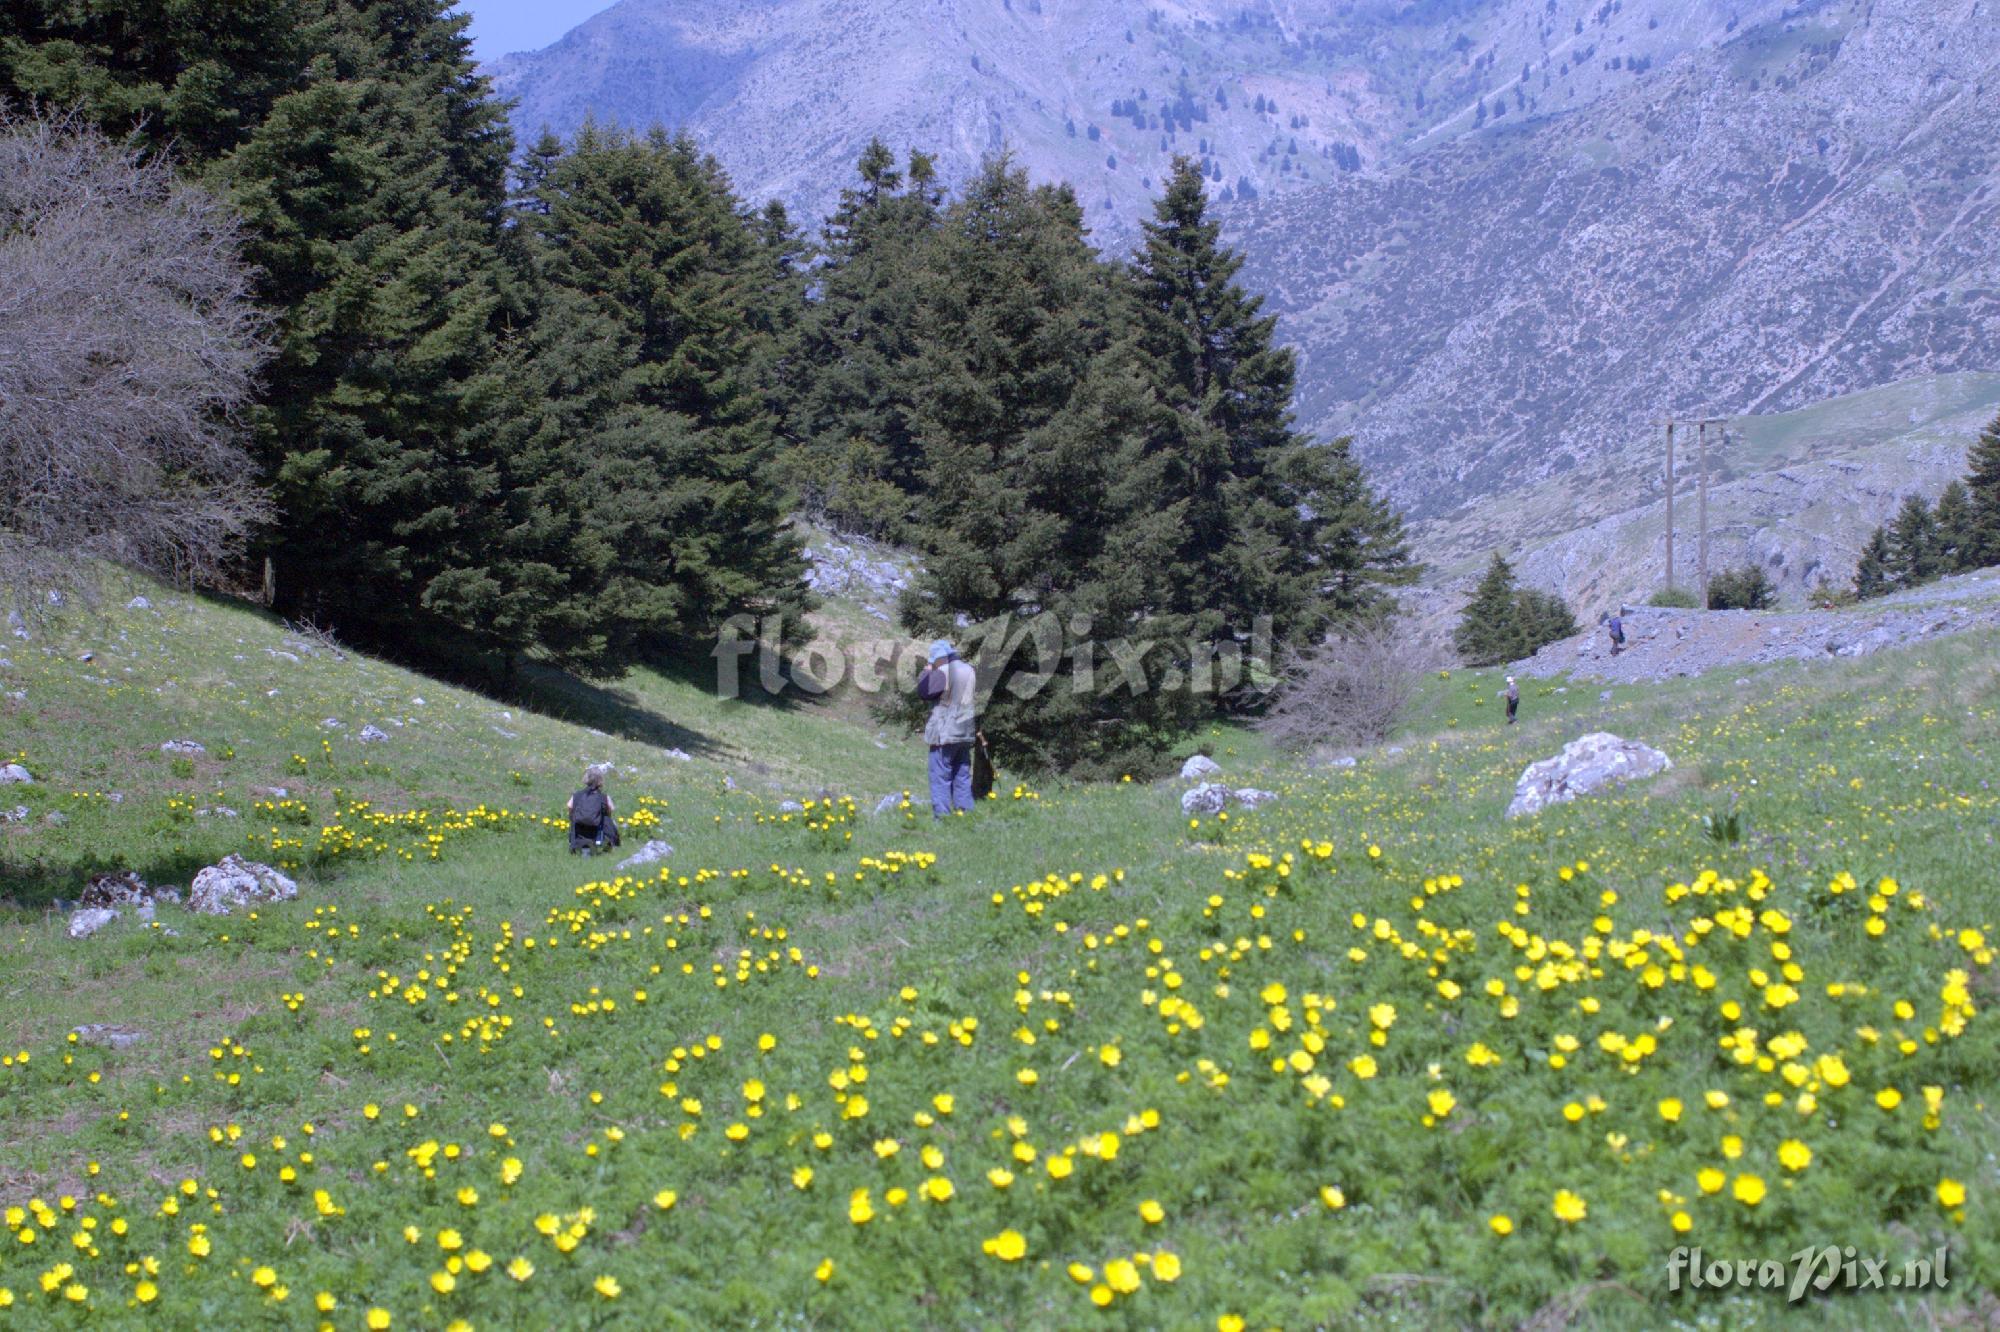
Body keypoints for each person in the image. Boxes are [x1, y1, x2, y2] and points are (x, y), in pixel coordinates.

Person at [917, 639, 978, 818]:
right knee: (962, 775)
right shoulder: (969, 670)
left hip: (945, 733)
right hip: (965, 731)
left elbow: (924, 693)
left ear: (939, 658)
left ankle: (942, 819)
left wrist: (927, 673)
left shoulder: (942, 672)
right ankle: (965, 815)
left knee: (940, 777)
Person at [566, 766, 621, 854]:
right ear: (600, 780)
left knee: (573, 820)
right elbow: (611, 809)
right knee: (610, 821)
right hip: (597, 827)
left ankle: (573, 845)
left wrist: (572, 816)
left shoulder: (577, 795)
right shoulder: (603, 797)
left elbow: (569, 806)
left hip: (579, 826)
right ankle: (609, 846)